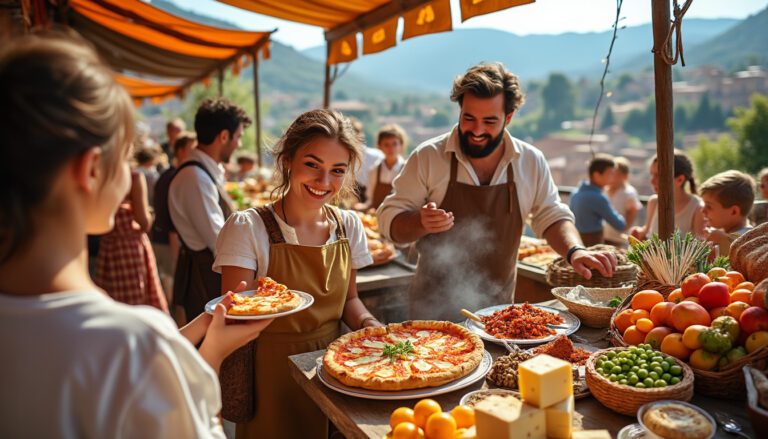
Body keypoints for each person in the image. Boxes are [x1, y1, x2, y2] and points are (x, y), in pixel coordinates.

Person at [0, 34, 271, 438]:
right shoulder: (133, 347)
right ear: (91, 169)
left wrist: (191, 336)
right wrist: (208, 356)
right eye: (125, 156)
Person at [377, 63, 617, 321]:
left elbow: (551, 215)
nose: (477, 131)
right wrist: (419, 222)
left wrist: (574, 251)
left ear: (509, 117)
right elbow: (389, 222)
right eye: (469, 118)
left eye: (490, 121)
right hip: (431, 310)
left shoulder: (530, 161)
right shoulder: (428, 157)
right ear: (460, 110)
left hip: (498, 313)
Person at [214, 109, 380, 439]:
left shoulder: (348, 226)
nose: (324, 182)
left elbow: (350, 301)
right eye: (312, 165)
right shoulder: (248, 227)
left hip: (335, 368)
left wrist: (369, 325)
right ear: (288, 160)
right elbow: (233, 317)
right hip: (269, 374)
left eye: (337, 171)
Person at [169, 98, 251, 321]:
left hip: (205, 272)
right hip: (203, 278)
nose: (239, 145)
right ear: (224, 136)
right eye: (238, 137)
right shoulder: (195, 178)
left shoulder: (202, 172)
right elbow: (219, 242)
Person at [94, 169, 167, 311]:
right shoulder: (133, 176)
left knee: (111, 302)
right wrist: (149, 215)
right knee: (138, 304)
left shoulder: (101, 175)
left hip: (108, 247)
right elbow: (143, 221)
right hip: (130, 247)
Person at [151, 132, 197, 307]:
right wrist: (176, 254)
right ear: (181, 151)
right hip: (169, 243)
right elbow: (171, 219)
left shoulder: (169, 175)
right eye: (193, 149)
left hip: (164, 240)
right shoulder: (177, 177)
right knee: (175, 297)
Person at [630, 151, 705, 240]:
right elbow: (646, 232)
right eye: (652, 174)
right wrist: (638, 232)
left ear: (680, 180)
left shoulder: (697, 208)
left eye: (658, 176)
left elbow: (700, 245)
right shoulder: (654, 202)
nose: (652, 181)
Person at [569, 154, 626, 246]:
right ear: (597, 175)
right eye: (610, 173)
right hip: (593, 243)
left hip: (576, 240)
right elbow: (620, 224)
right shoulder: (598, 197)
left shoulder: (575, 192)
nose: (612, 177)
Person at [700, 170, 755, 255]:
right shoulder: (720, 233)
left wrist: (722, 241)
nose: (702, 210)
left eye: (709, 206)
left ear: (734, 211)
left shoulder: (748, 242)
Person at [357, 124, 407, 210]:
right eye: (386, 145)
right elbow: (370, 200)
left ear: (401, 145)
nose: (391, 148)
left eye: (394, 144)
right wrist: (363, 206)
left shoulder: (407, 169)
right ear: (380, 146)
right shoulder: (374, 170)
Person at [604, 156, 643, 246]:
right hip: (604, 235)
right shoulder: (604, 190)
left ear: (624, 176)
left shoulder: (628, 193)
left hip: (619, 239)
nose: (611, 176)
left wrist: (622, 230)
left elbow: (631, 216)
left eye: (615, 174)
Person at [349, 117, 385, 204]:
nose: (355, 136)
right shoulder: (341, 158)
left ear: (362, 134)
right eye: (351, 132)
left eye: (357, 132)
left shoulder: (377, 156)